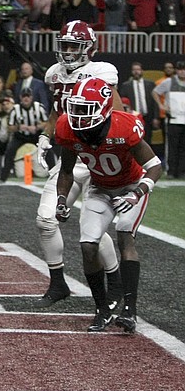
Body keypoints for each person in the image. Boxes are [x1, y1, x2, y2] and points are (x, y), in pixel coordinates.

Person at [55, 77, 162, 332]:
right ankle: (102, 309)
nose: (78, 114)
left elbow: (154, 165)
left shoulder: (124, 126)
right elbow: (67, 171)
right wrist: (62, 200)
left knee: (125, 234)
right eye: (76, 107)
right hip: (100, 187)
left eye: (85, 109)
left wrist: (137, 193)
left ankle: (130, 311)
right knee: (88, 245)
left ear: (103, 108)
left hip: (131, 186)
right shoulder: (67, 128)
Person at [35, 19, 123, 308]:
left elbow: (119, 116)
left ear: (89, 48)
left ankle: (116, 284)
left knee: (93, 230)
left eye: (75, 46)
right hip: (70, 157)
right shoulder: (54, 75)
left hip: (98, 158)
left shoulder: (102, 72)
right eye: (65, 45)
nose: (69, 52)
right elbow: (56, 112)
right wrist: (46, 137)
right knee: (46, 219)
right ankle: (58, 282)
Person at [0, 88, 47, 183]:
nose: (26, 98)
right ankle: (3, 178)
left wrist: (36, 127)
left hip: (35, 135)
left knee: (47, 149)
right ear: (20, 97)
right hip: (20, 136)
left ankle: (54, 176)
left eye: (28, 96)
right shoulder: (15, 109)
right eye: (24, 96)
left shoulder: (39, 107)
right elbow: (10, 127)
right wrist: (19, 127)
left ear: (31, 97)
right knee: (9, 152)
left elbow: (46, 123)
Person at [153, 60, 185, 179]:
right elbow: (155, 92)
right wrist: (162, 105)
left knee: (183, 147)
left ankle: (182, 171)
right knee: (172, 146)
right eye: (180, 69)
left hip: (184, 119)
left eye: (184, 70)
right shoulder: (169, 82)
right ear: (177, 71)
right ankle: (171, 171)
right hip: (173, 119)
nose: (182, 72)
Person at [119, 62, 158, 147]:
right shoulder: (126, 85)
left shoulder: (150, 84)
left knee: (147, 139)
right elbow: (123, 102)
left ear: (142, 71)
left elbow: (155, 102)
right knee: (134, 139)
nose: (136, 72)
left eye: (138, 69)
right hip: (133, 117)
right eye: (134, 70)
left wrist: (156, 117)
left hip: (148, 116)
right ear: (131, 71)